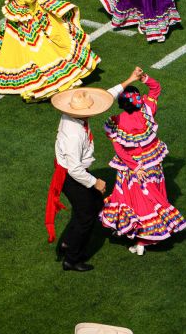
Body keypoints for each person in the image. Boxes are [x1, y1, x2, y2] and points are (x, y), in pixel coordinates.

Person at [49, 76, 137, 272]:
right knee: (86, 216)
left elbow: (106, 96)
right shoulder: (75, 135)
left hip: (73, 173)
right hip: (73, 176)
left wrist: (129, 79)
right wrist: (95, 182)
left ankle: (67, 243)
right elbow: (75, 169)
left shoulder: (71, 118)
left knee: (93, 205)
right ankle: (72, 258)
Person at [98, 68, 186, 254]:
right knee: (153, 197)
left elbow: (119, 149)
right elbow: (156, 89)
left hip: (131, 168)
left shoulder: (115, 122)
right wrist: (143, 78)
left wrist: (135, 166)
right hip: (152, 163)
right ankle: (142, 241)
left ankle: (140, 239)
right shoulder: (148, 109)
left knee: (133, 202)